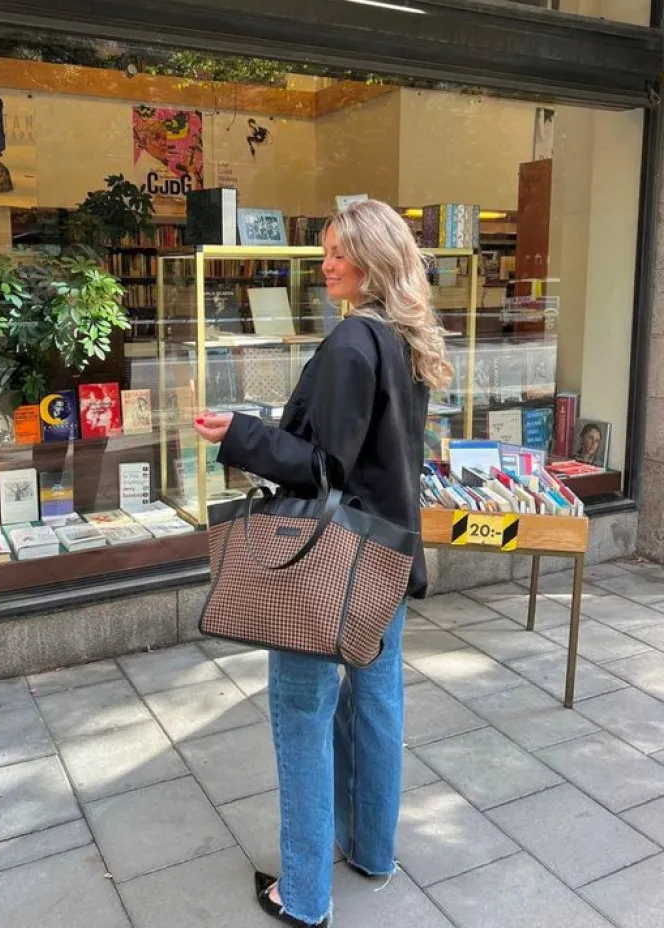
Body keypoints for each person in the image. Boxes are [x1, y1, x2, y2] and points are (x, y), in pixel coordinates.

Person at [194, 199, 453, 927]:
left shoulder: (350, 343)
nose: (326, 263)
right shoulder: (404, 338)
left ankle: (305, 895)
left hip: (328, 565)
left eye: (340, 252)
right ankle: (372, 850)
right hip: (386, 555)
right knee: (377, 702)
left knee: (301, 713)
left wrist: (239, 433)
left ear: (372, 261)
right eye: (327, 249)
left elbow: (323, 468)